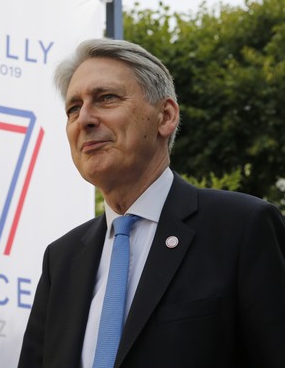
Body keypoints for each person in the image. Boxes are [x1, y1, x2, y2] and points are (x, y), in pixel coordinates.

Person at [18, 38, 285, 368]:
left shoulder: (243, 228)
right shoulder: (61, 259)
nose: (84, 119)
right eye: (73, 108)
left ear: (165, 116)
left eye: (106, 98)